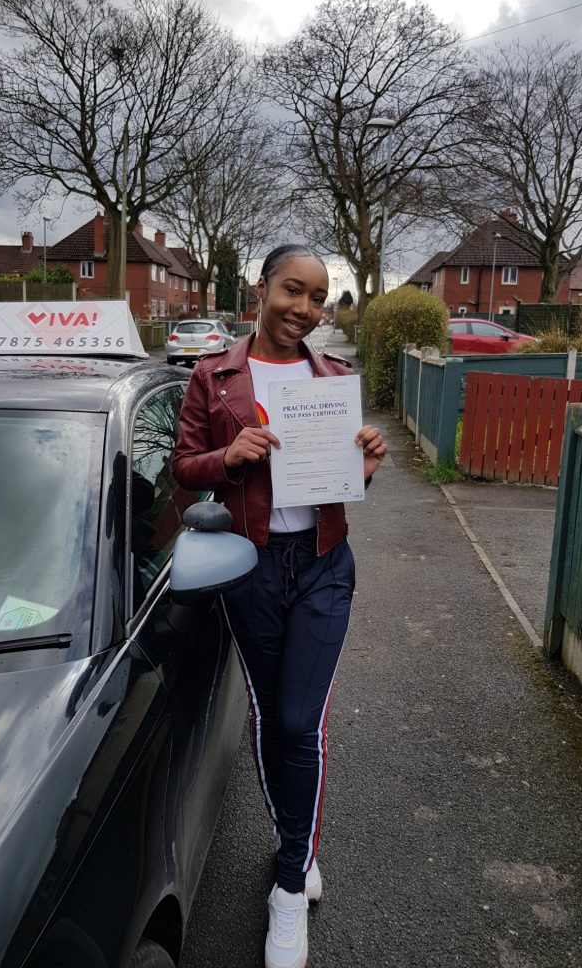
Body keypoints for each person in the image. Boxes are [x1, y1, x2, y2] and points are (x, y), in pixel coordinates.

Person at [173, 244, 387, 968]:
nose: (304, 308)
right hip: (251, 564)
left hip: (324, 563)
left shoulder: (334, 378)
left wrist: (364, 468)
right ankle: (296, 843)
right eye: (293, 290)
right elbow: (182, 466)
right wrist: (228, 458)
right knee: (271, 718)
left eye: (318, 297)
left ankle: (288, 887)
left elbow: (344, 484)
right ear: (261, 289)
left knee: (301, 721)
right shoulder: (214, 375)